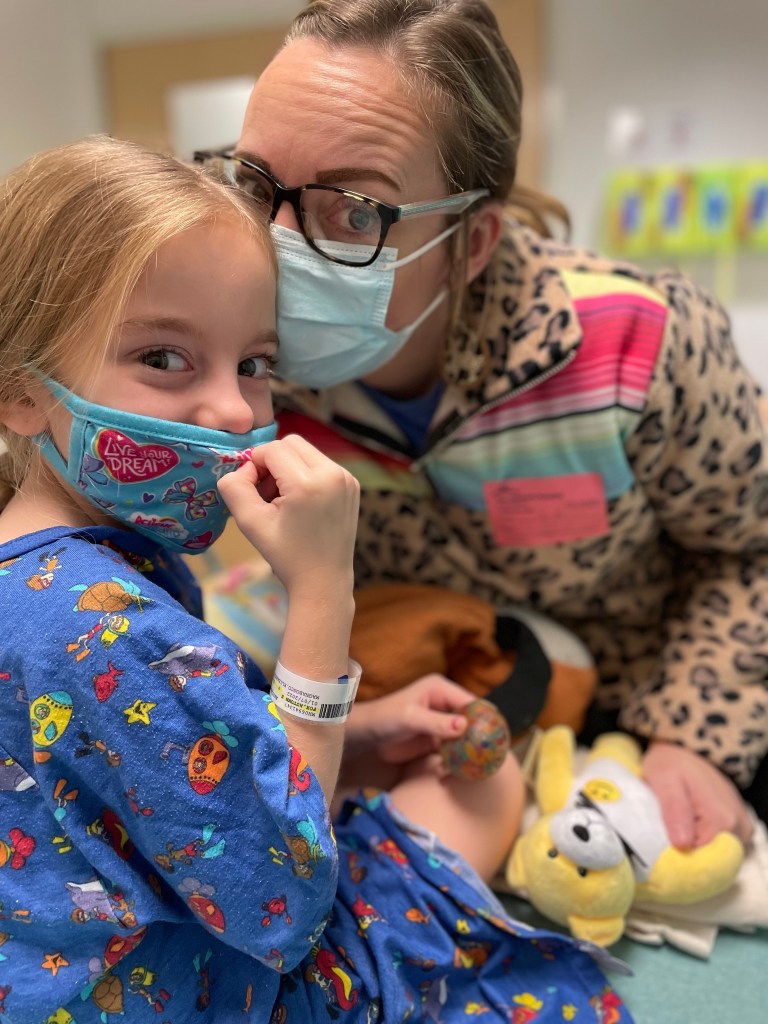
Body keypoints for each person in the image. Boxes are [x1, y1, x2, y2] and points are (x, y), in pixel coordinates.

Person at [0, 135, 633, 1023]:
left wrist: (359, 733)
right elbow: (283, 900)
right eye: (164, 359)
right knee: (482, 788)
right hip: (205, 986)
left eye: (254, 366)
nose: (233, 410)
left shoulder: (38, 571)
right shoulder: (104, 622)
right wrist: (325, 586)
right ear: (20, 391)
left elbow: (127, 769)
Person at [196, 0, 768, 852]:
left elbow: (750, 546)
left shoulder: (637, 346)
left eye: (353, 211)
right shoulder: (242, 367)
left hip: (627, 720)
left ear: (470, 243)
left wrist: (694, 734)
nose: (276, 245)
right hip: (409, 718)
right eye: (253, 184)